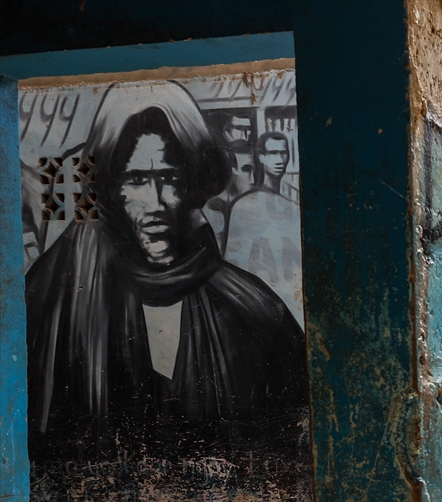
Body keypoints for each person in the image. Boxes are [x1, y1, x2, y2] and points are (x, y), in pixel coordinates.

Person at [25, 81, 309, 464]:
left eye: (170, 179)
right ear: (111, 187)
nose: (155, 201)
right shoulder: (48, 300)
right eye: (137, 179)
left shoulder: (253, 312)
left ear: (191, 185)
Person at [224, 132, 304, 326]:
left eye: (283, 153)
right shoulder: (242, 206)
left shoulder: (293, 208)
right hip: (257, 308)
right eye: (273, 153)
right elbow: (233, 269)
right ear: (261, 156)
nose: (279, 160)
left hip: (290, 305)